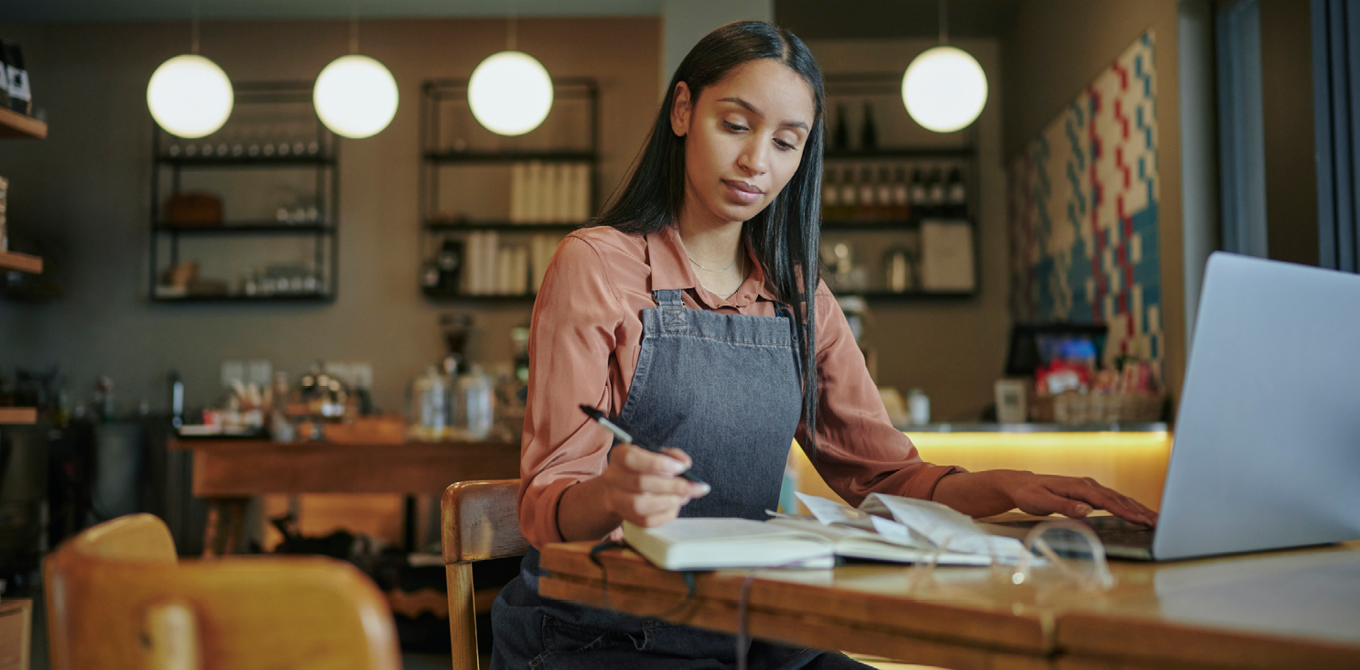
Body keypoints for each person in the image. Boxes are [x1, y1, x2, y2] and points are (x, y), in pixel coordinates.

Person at [490, 20, 1158, 669]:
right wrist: (610, 495)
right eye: (735, 125)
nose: (757, 161)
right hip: (601, 632)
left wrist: (1005, 487)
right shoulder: (597, 265)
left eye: (787, 141)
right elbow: (547, 501)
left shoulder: (800, 297)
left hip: (751, 625)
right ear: (683, 110)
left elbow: (885, 477)